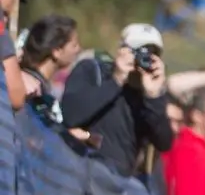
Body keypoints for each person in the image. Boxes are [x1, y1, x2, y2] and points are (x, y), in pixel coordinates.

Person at [60, 23, 174, 176]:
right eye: (139, 51)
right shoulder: (93, 71)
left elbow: (164, 142)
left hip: (116, 186)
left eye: (152, 54)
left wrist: (154, 96)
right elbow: (70, 116)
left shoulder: (149, 95)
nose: (144, 58)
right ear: (122, 50)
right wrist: (117, 80)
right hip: (77, 173)